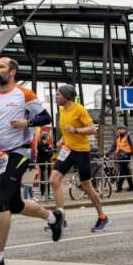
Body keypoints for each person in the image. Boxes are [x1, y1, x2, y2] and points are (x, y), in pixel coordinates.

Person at [0, 57, 63, 265]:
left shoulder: (25, 94)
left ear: (12, 71)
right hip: (1, 154)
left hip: (20, 152)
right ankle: (53, 218)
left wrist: (27, 123)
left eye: (2, 67)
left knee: (1, 200)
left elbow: (45, 116)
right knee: (14, 204)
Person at [49, 84, 110, 233]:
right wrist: (63, 139)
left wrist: (76, 130)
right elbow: (67, 129)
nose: (56, 97)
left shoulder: (79, 109)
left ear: (66, 96)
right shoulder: (62, 111)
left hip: (81, 152)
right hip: (67, 151)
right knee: (53, 180)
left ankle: (102, 217)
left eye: (58, 94)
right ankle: (60, 220)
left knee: (87, 187)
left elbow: (92, 129)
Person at [111, 125, 133, 192]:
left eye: (121, 129)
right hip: (120, 156)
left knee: (122, 172)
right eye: (119, 129)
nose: (119, 130)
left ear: (125, 130)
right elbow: (113, 147)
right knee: (126, 172)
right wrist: (108, 153)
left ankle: (119, 188)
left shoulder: (128, 136)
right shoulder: (117, 138)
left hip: (126, 156)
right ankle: (132, 187)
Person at [35, 133, 53, 201]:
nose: (47, 140)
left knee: (47, 179)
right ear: (44, 138)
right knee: (43, 179)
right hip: (43, 164)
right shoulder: (40, 144)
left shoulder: (46, 144)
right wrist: (48, 151)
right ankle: (43, 194)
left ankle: (47, 194)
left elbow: (50, 153)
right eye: (47, 138)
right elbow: (46, 152)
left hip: (47, 163)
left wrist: (49, 151)